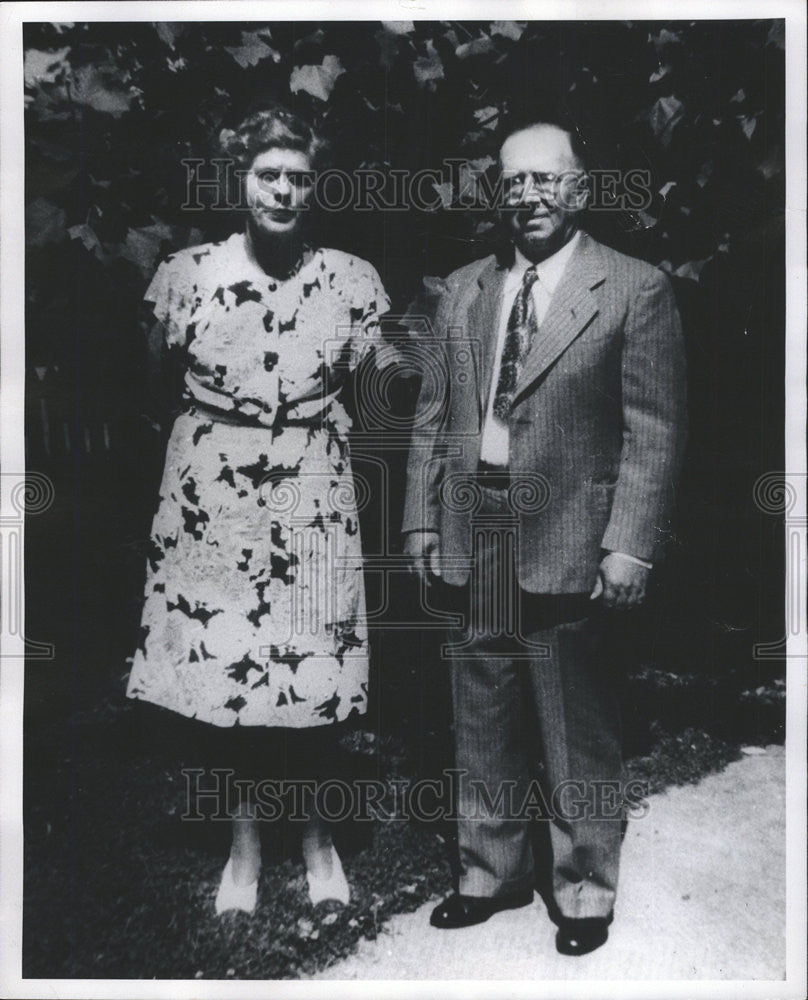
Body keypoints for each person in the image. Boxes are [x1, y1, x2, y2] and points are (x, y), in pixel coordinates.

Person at [402, 119, 687, 955]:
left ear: (580, 189)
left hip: (571, 530)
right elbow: (431, 417)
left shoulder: (633, 287)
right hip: (473, 521)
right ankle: (490, 872)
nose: (528, 195)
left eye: (546, 179)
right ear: (498, 193)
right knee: (481, 709)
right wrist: (419, 518)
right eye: (513, 181)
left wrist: (629, 544)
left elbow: (656, 430)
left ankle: (585, 887)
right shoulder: (462, 288)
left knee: (573, 720)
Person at [126, 103, 391, 914]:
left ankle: (316, 838)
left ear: (316, 187)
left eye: (298, 178)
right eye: (267, 175)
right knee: (230, 669)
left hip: (311, 487)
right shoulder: (186, 275)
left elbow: (384, 392)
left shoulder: (349, 279)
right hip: (213, 493)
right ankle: (242, 848)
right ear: (238, 180)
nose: (283, 191)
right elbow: (146, 385)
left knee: (308, 665)